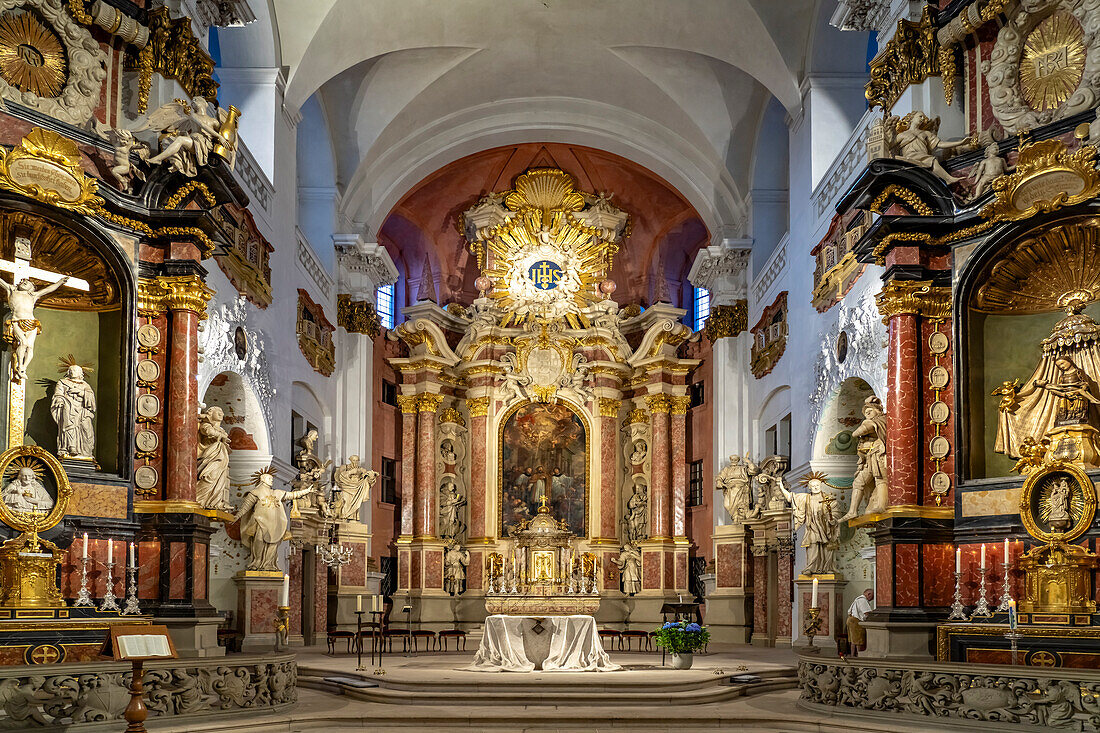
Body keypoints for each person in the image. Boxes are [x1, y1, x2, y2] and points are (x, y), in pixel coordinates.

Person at [0, 273, 71, 382]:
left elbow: (48, 289)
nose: (24, 283)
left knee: (30, 347)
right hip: (17, 321)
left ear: (32, 288)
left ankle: (24, 368)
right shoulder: (12, 290)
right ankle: (19, 366)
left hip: (32, 322)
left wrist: (60, 282)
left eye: (28, 283)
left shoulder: (33, 295)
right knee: (23, 343)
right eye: (23, 282)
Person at [51, 365, 96, 459]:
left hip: (83, 411)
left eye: (75, 370)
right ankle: (71, 447)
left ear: (81, 373)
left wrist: (80, 393)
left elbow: (91, 398)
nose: (72, 372)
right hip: (68, 407)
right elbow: (58, 394)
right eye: (70, 370)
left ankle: (86, 451)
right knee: (69, 424)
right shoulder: (62, 382)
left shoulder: (85, 385)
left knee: (87, 429)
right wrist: (59, 400)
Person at [845, 589, 874, 656]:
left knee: (853, 640)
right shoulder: (862, 600)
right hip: (856, 621)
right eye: (872, 597)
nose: (872, 599)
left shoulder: (858, 599)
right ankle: (859, 656)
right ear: (868, 594)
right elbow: (866, 612)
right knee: (858, 640)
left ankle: (853, 655)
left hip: (851, 620)